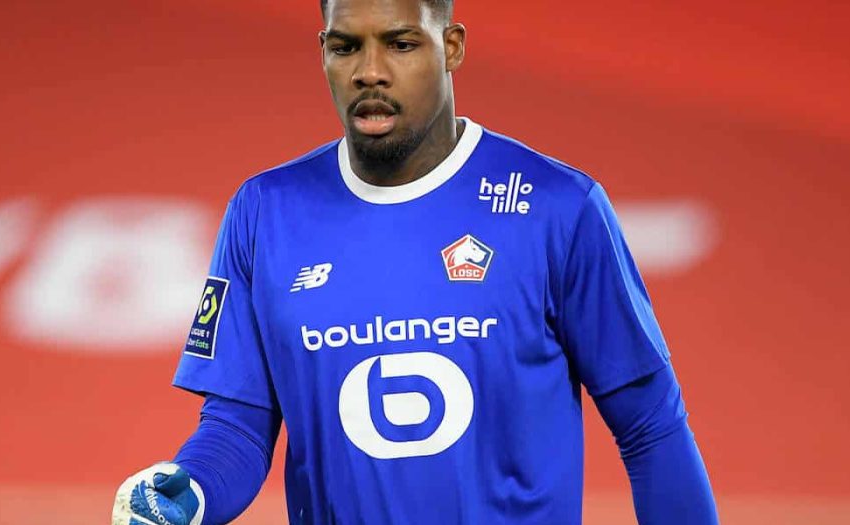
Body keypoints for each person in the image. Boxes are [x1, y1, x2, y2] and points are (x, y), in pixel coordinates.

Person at [111, 0, 719, 523]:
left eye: (400, 44)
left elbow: (651, 427)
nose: (369, 72)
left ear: (451, 46)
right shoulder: (263, 212)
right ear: (322, 52)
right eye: (346, 47)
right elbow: (237, 427)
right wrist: (187, 492)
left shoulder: (557, 207)